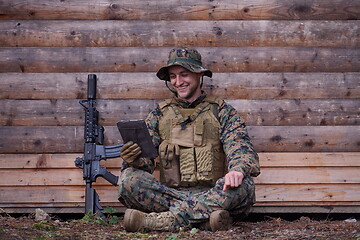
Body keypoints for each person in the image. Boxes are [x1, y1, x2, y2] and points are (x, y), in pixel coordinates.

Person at [118, 47, 260, 232]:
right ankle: (205, 220)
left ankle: (162, 221)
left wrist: (238, 170)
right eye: (173, 76)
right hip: (171, 194)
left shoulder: (222, 111)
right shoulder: (159, 115)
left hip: (213, 192)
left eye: (184, 74)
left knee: (245, 185)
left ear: (199, 75)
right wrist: (135, 160)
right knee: (128, 179)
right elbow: (146, 163)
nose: (178, 82)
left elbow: (240, 146)